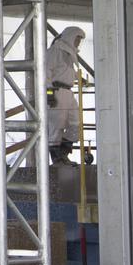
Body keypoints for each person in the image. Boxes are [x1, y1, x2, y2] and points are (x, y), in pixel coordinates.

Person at [45, 26, 86, 164]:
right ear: (70, 36)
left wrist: (77, 78)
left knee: (76, 122)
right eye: (77, 38)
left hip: (68, 92)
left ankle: (64, 153)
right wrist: (49, 93)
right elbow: (46, 72)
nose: (78, 42)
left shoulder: (68, 54)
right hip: (57, 91)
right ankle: (57, 158)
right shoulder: (54, 52)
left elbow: (65, 71)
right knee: (57, 124)